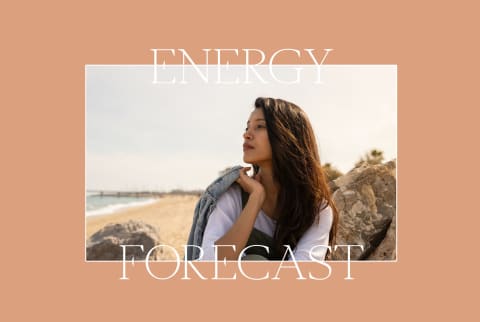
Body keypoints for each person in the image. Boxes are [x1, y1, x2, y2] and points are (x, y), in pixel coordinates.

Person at [200, 97, 338, 261]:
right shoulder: (233, 195)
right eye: (247, 127)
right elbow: (209, 264)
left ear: (287, 136)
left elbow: (304, 274)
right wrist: (255, 199)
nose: (246, 134)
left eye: (259, 126)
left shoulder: (316, 208)